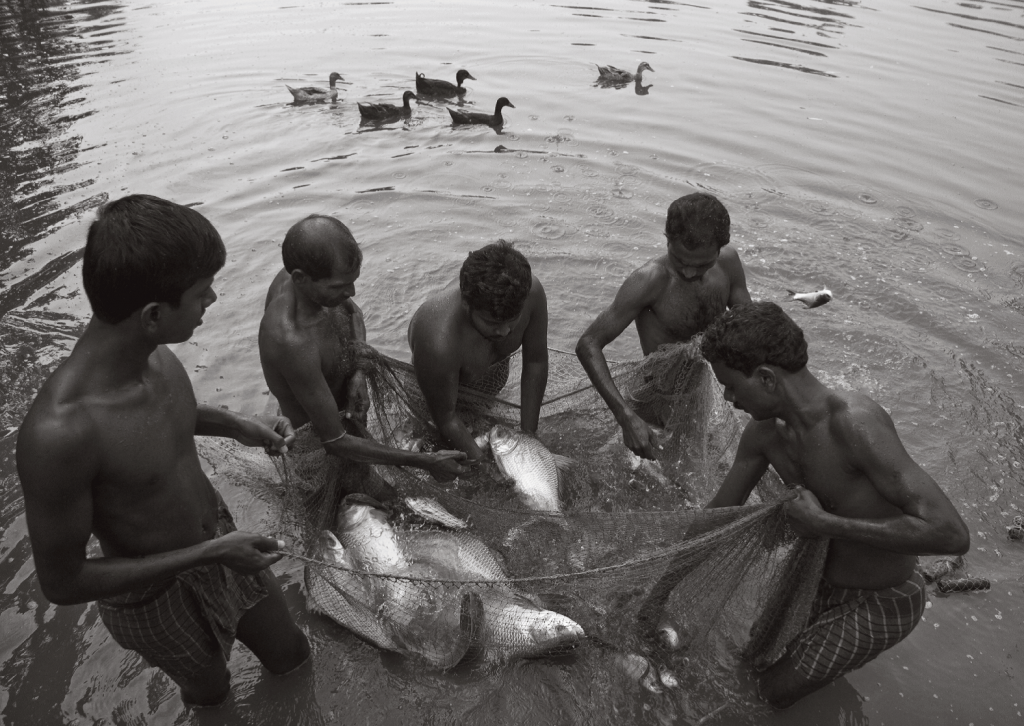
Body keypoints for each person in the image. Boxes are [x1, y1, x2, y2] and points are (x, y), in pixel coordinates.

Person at [16, 195, 310, 708]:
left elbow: (157, 423)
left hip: (220, 543)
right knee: (211, 692)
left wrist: (235, 423)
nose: (213, 300)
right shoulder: (61, 433)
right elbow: (62, 581)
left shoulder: (153, 354)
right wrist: (209, 553)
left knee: (292, 656)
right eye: (201, 294)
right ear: (153, 314)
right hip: (152, 596)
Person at [663, 301, 970, 707]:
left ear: (768, 378)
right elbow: (717, 518)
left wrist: (827, 524)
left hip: (883, 599)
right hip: (813, 585)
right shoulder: (764, 435)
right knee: (749, 666)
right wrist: (658, 592)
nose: (727, 396)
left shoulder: (854, 424)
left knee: (761, 696)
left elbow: (951, 533)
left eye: (733, 386)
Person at [259, 215, 468, 491]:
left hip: (345, 410)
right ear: (300, 279)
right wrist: (425, 461)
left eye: (352, 282)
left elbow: (353, 312)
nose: (351, 292)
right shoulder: (290, 339)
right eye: (339, 287)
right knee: (372, 507)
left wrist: (358, 373)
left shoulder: (314, 281)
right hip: (320, 446)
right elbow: (334, 441)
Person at [576, 192, 751, 459]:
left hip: (700, 396)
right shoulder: (651, 281)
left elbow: (750, 329)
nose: (690, 272)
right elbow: (588, 344)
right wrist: (626, 417)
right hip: (655, 400)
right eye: (680, 260)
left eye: (703, 263)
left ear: (719, 248)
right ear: (667, 240)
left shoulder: (729, 263)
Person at [407, 240, 548, 460]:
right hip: (437, 397)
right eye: (491, 323)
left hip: (486, 388)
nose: (503, 332)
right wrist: (485, 468)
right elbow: (446, 419)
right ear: (467, 305)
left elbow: (535, 362)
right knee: (447, 460)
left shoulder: (532, 294)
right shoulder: (437, 340)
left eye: (512, 320)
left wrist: (529, 436)